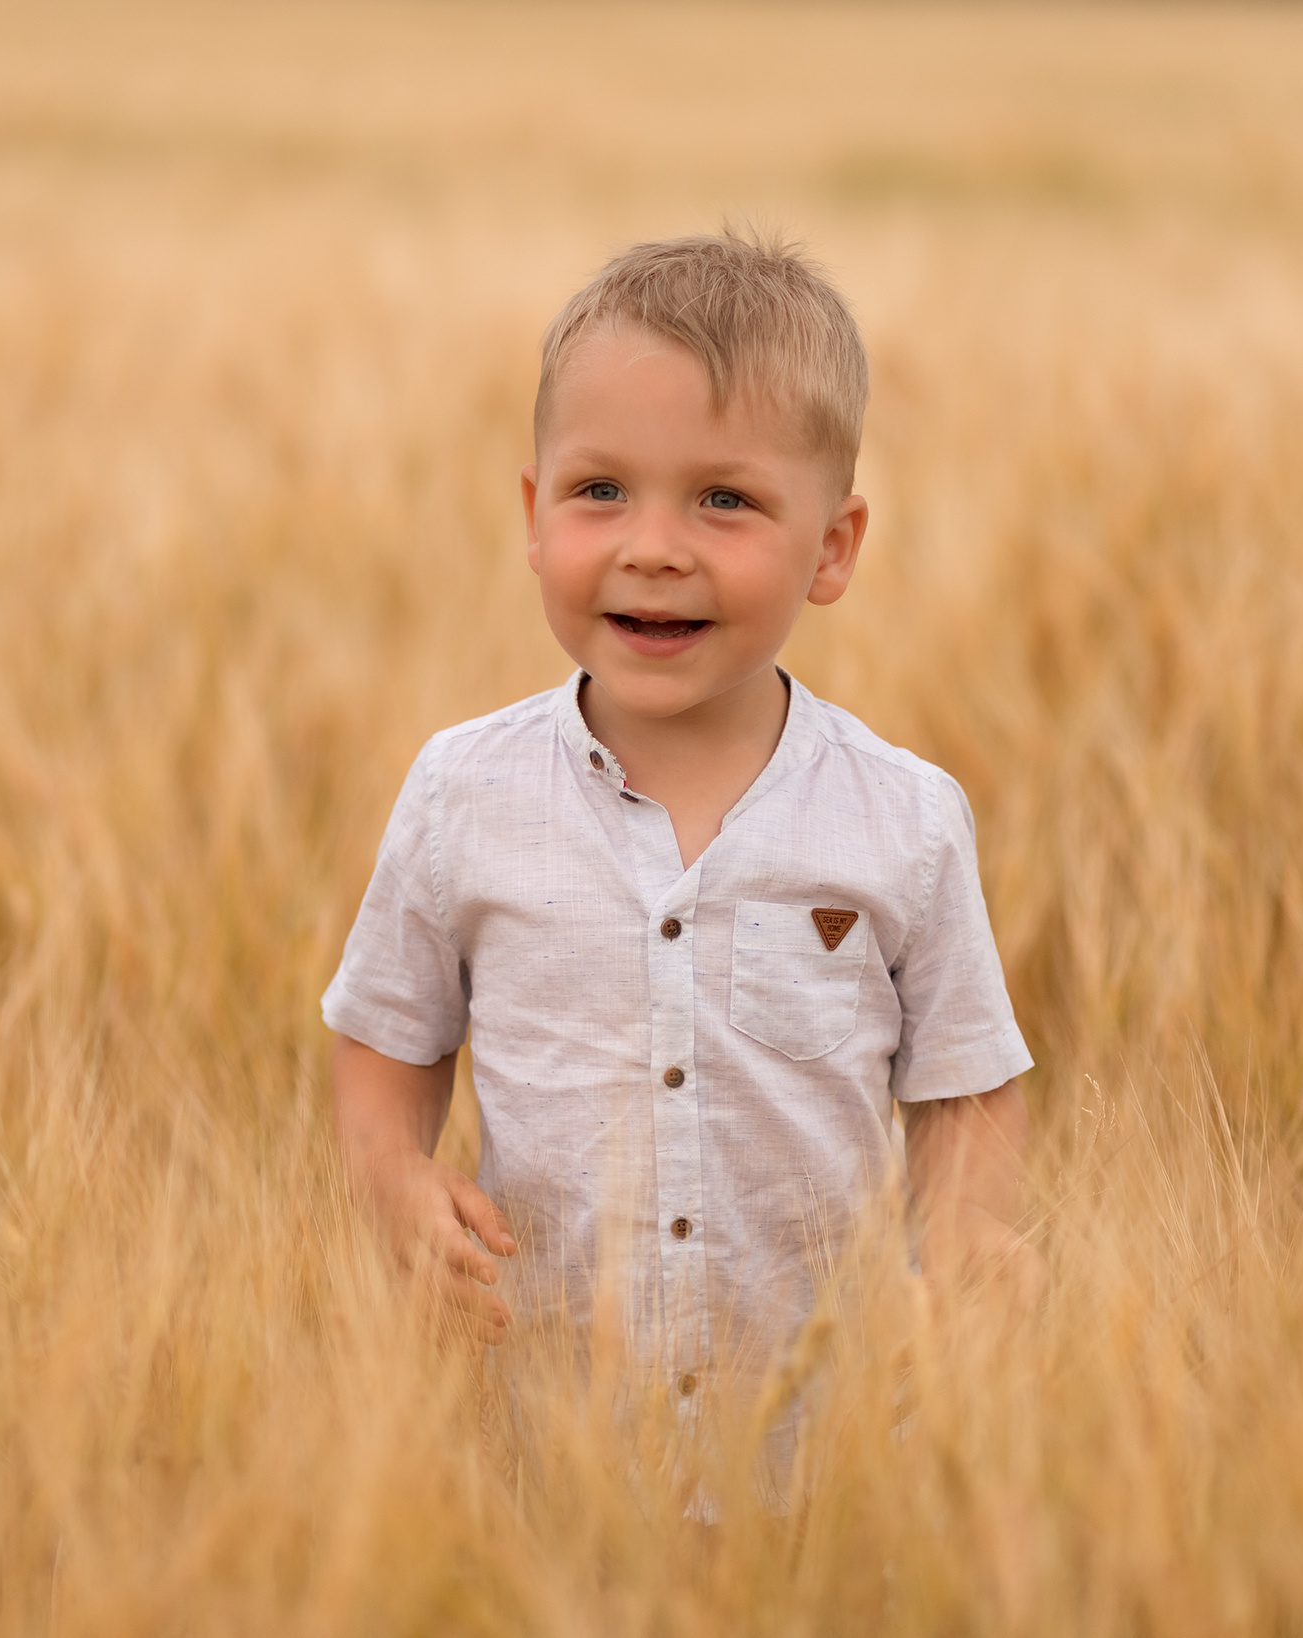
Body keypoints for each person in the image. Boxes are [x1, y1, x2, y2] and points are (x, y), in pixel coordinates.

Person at [321, 231, 1039, 1430]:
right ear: (532, 515)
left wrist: (965, 1228)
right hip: (543, 1432)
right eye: (599, 491)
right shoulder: (462, 793)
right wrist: (389, 1176)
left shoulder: (903, 819)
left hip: (820, 1443)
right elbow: (387, 1037)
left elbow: (963, 1082)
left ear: (831, 548)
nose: (652, 547)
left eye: (724, 500)